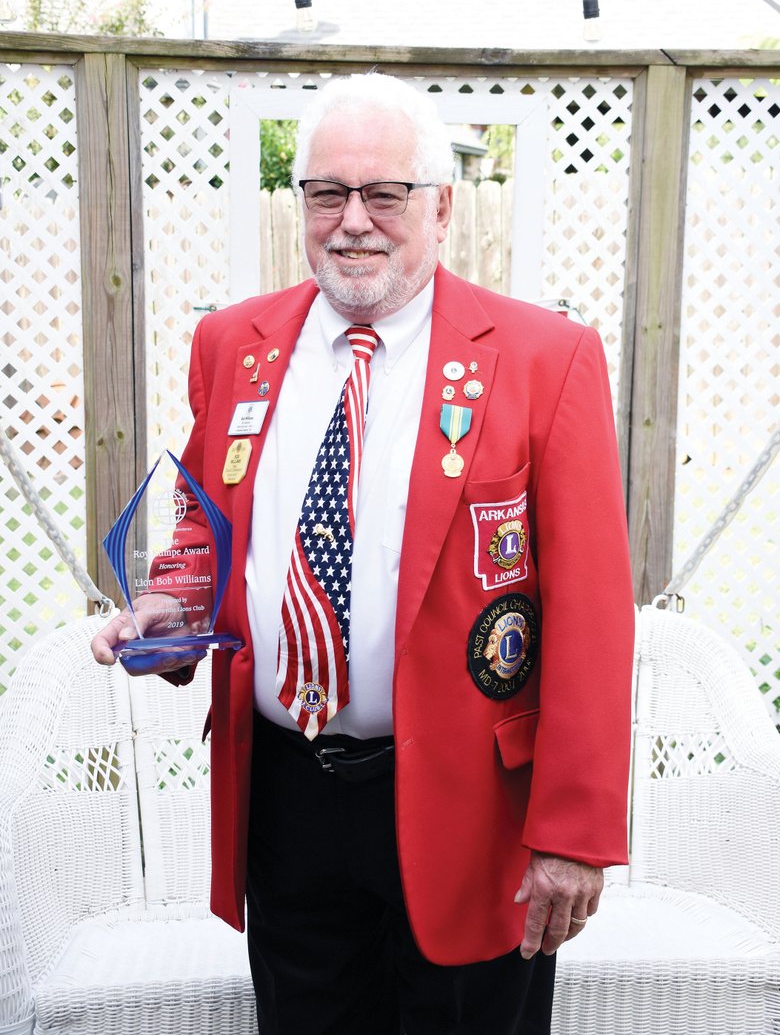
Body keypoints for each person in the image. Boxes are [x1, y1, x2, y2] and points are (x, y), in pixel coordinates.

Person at [92, 72, 634, 1035]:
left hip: (471, 807)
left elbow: (594, 618)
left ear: (441, 206)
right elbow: (207, 534)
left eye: (384, 194)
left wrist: (575, 834)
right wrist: (172, 616)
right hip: (288, 797)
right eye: (326, 193)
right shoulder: (233, 344)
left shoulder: (545, 358)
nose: (353, 222)